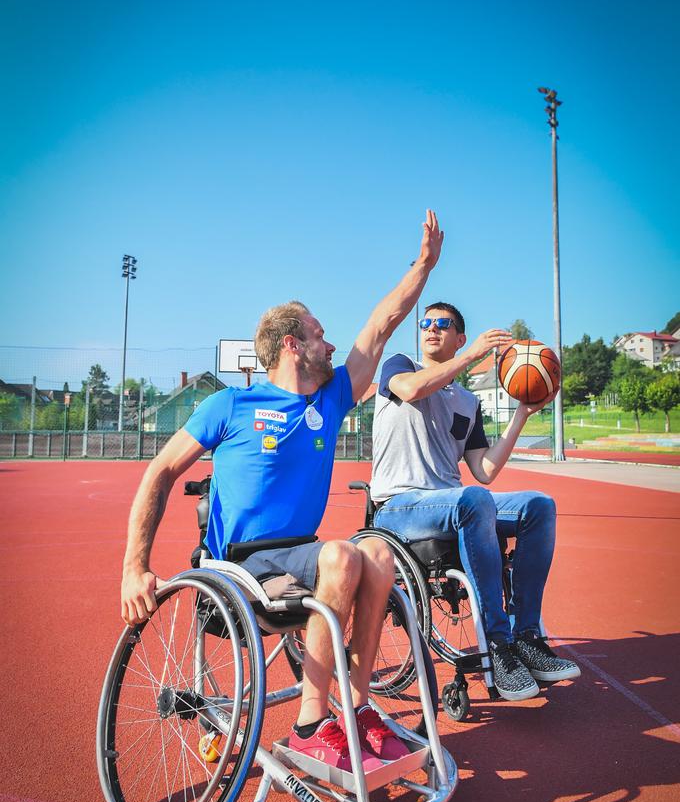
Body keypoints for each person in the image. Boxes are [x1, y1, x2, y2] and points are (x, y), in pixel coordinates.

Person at [120, 210, 444, 771]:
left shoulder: (331, 398)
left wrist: (424, 265)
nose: (333, 342)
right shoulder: (230, 405)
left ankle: (357, 711)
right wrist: (134, 566)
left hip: (297, 555)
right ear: (293, 345)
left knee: (377, 553)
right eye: (321, 334)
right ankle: (309, 728)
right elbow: (160, 473)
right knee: (343, 554)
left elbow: (382, 323)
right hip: (235, 570)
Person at [370, 301, 581, 701]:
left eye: (443, 324)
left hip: (453, 502)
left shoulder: (468, 401)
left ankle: (527, 637)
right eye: (426, 323)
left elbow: (484, 469)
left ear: (459, 336)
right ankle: (499, 647)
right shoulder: (400, 366)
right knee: (475, 500)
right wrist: (473, 356)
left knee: (539, 506)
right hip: (398, 507)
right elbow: (413, 391)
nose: (431, 329)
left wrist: (522, 414)